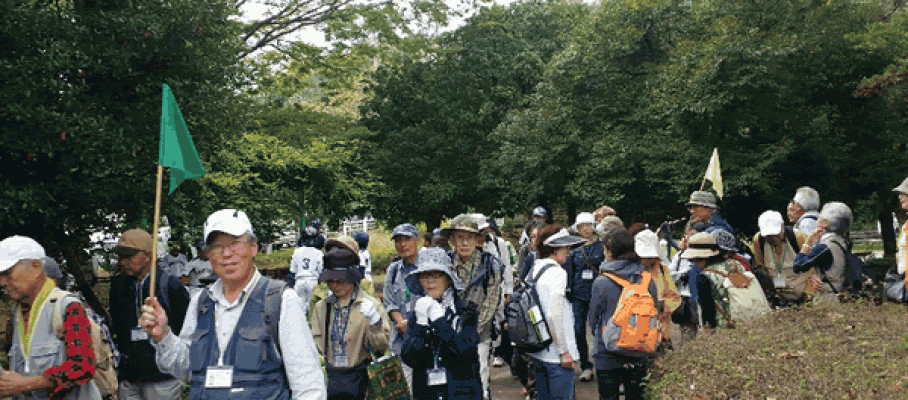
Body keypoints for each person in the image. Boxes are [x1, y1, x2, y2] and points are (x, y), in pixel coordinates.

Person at [139, 208, 326, 399]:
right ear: (209, 254)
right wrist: (163, 336)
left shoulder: (281, 300)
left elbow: (309, 386)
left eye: (235, 243)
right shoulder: (201, 302)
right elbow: (186, 369)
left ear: (253, 247)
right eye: (217, 246)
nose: (226, 254)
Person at [0, 236, 102, 399]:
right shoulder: (16, 313)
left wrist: (25, 384)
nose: (2, 282)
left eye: (7, 273)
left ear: (35, 267)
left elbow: (83, 367)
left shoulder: (67, 306)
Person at [108, 228, 191, 400]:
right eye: (120, 256)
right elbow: (117, 325)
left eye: (128, 256)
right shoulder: (119, 286)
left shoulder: (170, 285)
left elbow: (185, 327)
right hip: (130, 374)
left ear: (148, 255)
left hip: (161, 376)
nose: (122, 261)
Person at [310, 248, 390, 400]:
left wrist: (375, 323)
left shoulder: (370, 305)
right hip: (332, 377)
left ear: (352, 278)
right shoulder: (322, 307)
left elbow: (381, 347)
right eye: (330, 280)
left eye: (340, 280)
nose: (334, 285)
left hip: (361, 376)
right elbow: (316, 342)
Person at [401, 248, 479, 400]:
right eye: (424, 275)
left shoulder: (465, 311)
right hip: (427, 393)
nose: (430, 281)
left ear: (448, 279)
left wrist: (440, 322)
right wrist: (422, 324)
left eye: (436, 275)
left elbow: (464, 352)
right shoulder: (418, 311)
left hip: (460, 392)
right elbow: (409, 357)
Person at [589, 230, 660, 400]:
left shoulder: (602, 282)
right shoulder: (647, 280)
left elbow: (593, 320)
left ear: (610, 251)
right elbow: (655, 310)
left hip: (607, 352)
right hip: (640, 349)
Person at [441, 214, 505, 400]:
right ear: (452, 240)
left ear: (477, 239)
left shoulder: (490, 263)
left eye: (469, 237)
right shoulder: (445, 263)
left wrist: (471, 332)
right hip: (449, 331)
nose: (464, 243)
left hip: (479, 332)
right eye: (459, 237)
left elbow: (492, 301)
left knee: (479, 377)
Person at [526, 225, 584, 400]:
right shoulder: (558, 273)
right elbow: (554, 314)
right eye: (565, 247)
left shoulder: (535, 269)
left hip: (539, 351)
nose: (568, 251)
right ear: (553, 248)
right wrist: (563, 351)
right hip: (556, 356)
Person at [561, 212, 604, 382]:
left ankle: (602, 364)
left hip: (598, 294)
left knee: (599, 330)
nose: (586, 229)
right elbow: (569, 270)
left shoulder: (602, 246)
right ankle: (586, 365)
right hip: (579, 295)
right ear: (577, 229)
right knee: (578, 330)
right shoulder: (574, 249)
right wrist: (568, 290)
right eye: (582, 226)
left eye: (588, 225)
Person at [382, 223, 422, 392]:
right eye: (398, 240)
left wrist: (413, 324)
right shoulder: (393, 270)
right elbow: (389, 301)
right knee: (406, 390)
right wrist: (400, 322)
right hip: (402, 342)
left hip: (426, 340)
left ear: (417, 241)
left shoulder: (428, 268)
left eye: (407, 239)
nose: (402, 244)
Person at [793, 202, 853, 303]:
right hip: (840, 295)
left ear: (825, 223)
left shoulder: (824, 247)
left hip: (827, 299)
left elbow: (798, 266)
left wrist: (808, 243)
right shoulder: (842, 241)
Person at [751, 210, 812, 304]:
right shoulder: (759, 241)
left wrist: (809, 297)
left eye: (775, 234)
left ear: (782, 226)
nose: (772, 238)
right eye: (768, 235)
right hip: (779, 299)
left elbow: (812, 268)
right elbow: (761, 267)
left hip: (803, 297)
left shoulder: (797, 237)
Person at [634, 229, 682, 346]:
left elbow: (675, 297)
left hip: (660, 331)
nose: (647, 260)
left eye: (650, 256)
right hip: (635, 331)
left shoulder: (662, 269)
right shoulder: (630, 270)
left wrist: (663, 306)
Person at [290, 230, 325, 316]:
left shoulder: (297, 251)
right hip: (312, 280)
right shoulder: (318, 252)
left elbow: (292, 270)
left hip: (299, 280)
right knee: (312, 307)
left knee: (299, 307)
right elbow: (321, 270)